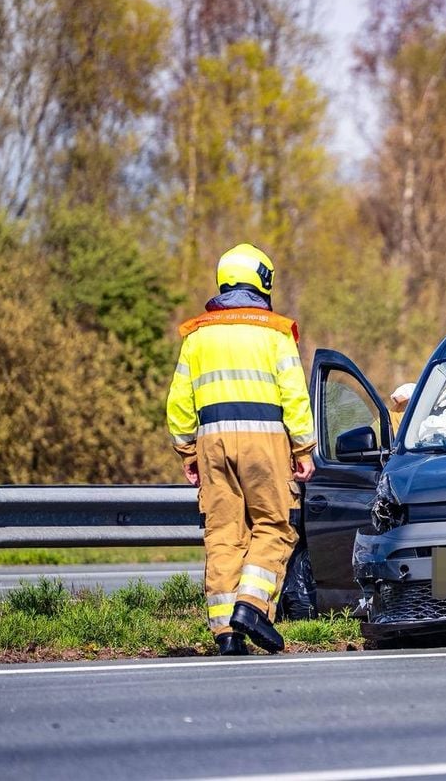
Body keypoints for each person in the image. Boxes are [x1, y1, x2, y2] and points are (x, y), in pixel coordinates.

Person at [166, 243, 316, 655]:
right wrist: (303, 448)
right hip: (265, 441)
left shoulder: (197, 336)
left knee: (223, 533)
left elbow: (179, 401)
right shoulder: (275, 333)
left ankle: (225, 633)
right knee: (275, 525)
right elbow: (294, 395)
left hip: (212, 443)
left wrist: (188, 451)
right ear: (263, 281)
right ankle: (251, 606)